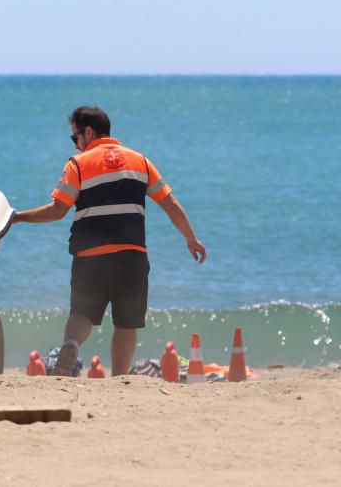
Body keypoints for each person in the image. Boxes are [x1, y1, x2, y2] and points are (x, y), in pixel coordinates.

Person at [13, 106, 206, 376]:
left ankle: (70, 345)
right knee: (126, 322)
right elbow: (170, 204)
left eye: (75, 137)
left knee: (81, 313)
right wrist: (191, 238)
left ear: (88, 132)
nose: (76, 144)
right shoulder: (140, 161)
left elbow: (57, 210)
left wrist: (19, 217)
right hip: (132, 254)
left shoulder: (78, 164)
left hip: (90, 254)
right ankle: (119, 376)